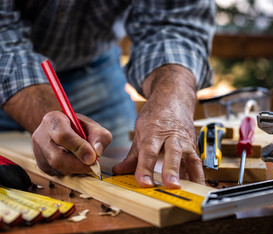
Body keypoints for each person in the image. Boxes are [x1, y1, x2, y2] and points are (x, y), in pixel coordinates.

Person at [0, 1, 216, 189]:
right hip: (6, 65)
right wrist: (44, 110)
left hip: (95, 70)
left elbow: (173, 23)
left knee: (113, 164)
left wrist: (172, 99)